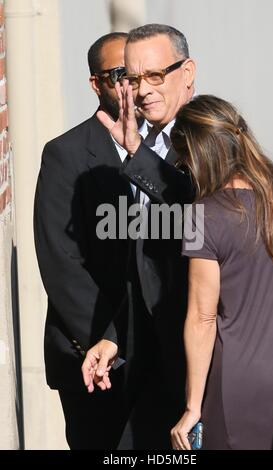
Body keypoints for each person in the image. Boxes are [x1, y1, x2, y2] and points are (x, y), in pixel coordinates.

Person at [81, 24, 196, 448]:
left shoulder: (212, 135)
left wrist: (136, 154)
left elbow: (192, 212)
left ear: (187, 73)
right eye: (132, 78)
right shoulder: (142, 142)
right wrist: (114, 337)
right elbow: (146, 264)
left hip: (201, 365)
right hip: (155, 358)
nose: (142, 90)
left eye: (155, 75)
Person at [170, 94, 273, 450]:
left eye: (183, 162)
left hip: (239, 387)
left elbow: (202, 317)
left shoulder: (203, 216)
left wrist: (192, 406)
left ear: (197, 157)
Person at [34, 32, 140, 449]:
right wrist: (110, 342)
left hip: (155, 357)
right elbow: (60, 260)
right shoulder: (65, 154)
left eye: (137, 74)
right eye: (118, 75)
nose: (130, 85)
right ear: (96, 84)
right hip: (90, 357)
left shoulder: (168, 148)